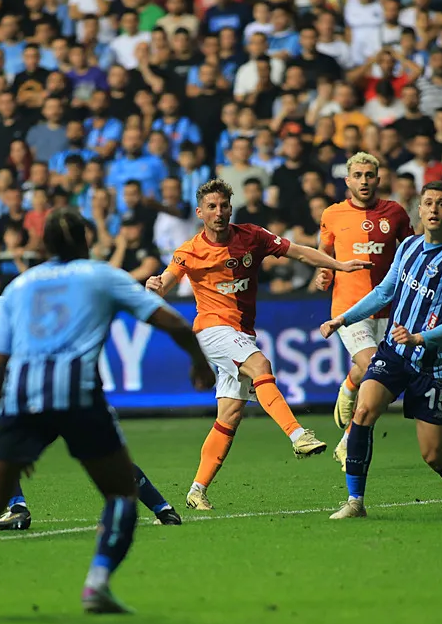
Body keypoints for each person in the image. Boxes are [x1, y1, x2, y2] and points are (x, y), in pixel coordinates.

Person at [0, 210, 214, 617]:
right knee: (120, 494)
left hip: (21, 397)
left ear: (45, 247)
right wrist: (197, 361)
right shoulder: (100, 274)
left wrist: (7, 423)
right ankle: (97, 584)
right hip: (77, 391)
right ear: (85, 241)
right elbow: (172, 320)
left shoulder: (20, 287)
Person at [146, 178, 372, 511]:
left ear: (230, 208)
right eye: (212, 207)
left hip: (240, 332)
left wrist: (337, 265)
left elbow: (297, 252)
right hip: (211, 330)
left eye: (223, 206)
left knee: (231, 413)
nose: (219, 212)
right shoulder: (189, 251)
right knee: (261, 366)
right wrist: (154, 286)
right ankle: (298, 436)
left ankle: (197, 490)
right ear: (200, 213)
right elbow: (163, 283)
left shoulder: (252, 236)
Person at [319, 181, 442, 519]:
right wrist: (342, 319)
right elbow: (384, 293)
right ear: (419, 208)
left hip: (430, 365)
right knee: (363, 412)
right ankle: (355, 501)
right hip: (393, 353)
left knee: (433, 455)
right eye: (428, 203)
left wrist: (420, 338)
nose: (433, 209)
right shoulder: (407, 247)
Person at [313, 152, 412, 470]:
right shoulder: (333, 214)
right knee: (375, 368)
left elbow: (409, 253)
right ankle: (351, 440)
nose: (364, 181)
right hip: (349, 309)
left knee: (377, 383)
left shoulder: (395, 213)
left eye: (369, 175)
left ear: (378, 179)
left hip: (387, 310)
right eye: (358, 175)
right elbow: (324, 253)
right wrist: (324, 273)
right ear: (348, 180)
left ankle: (349, 396)